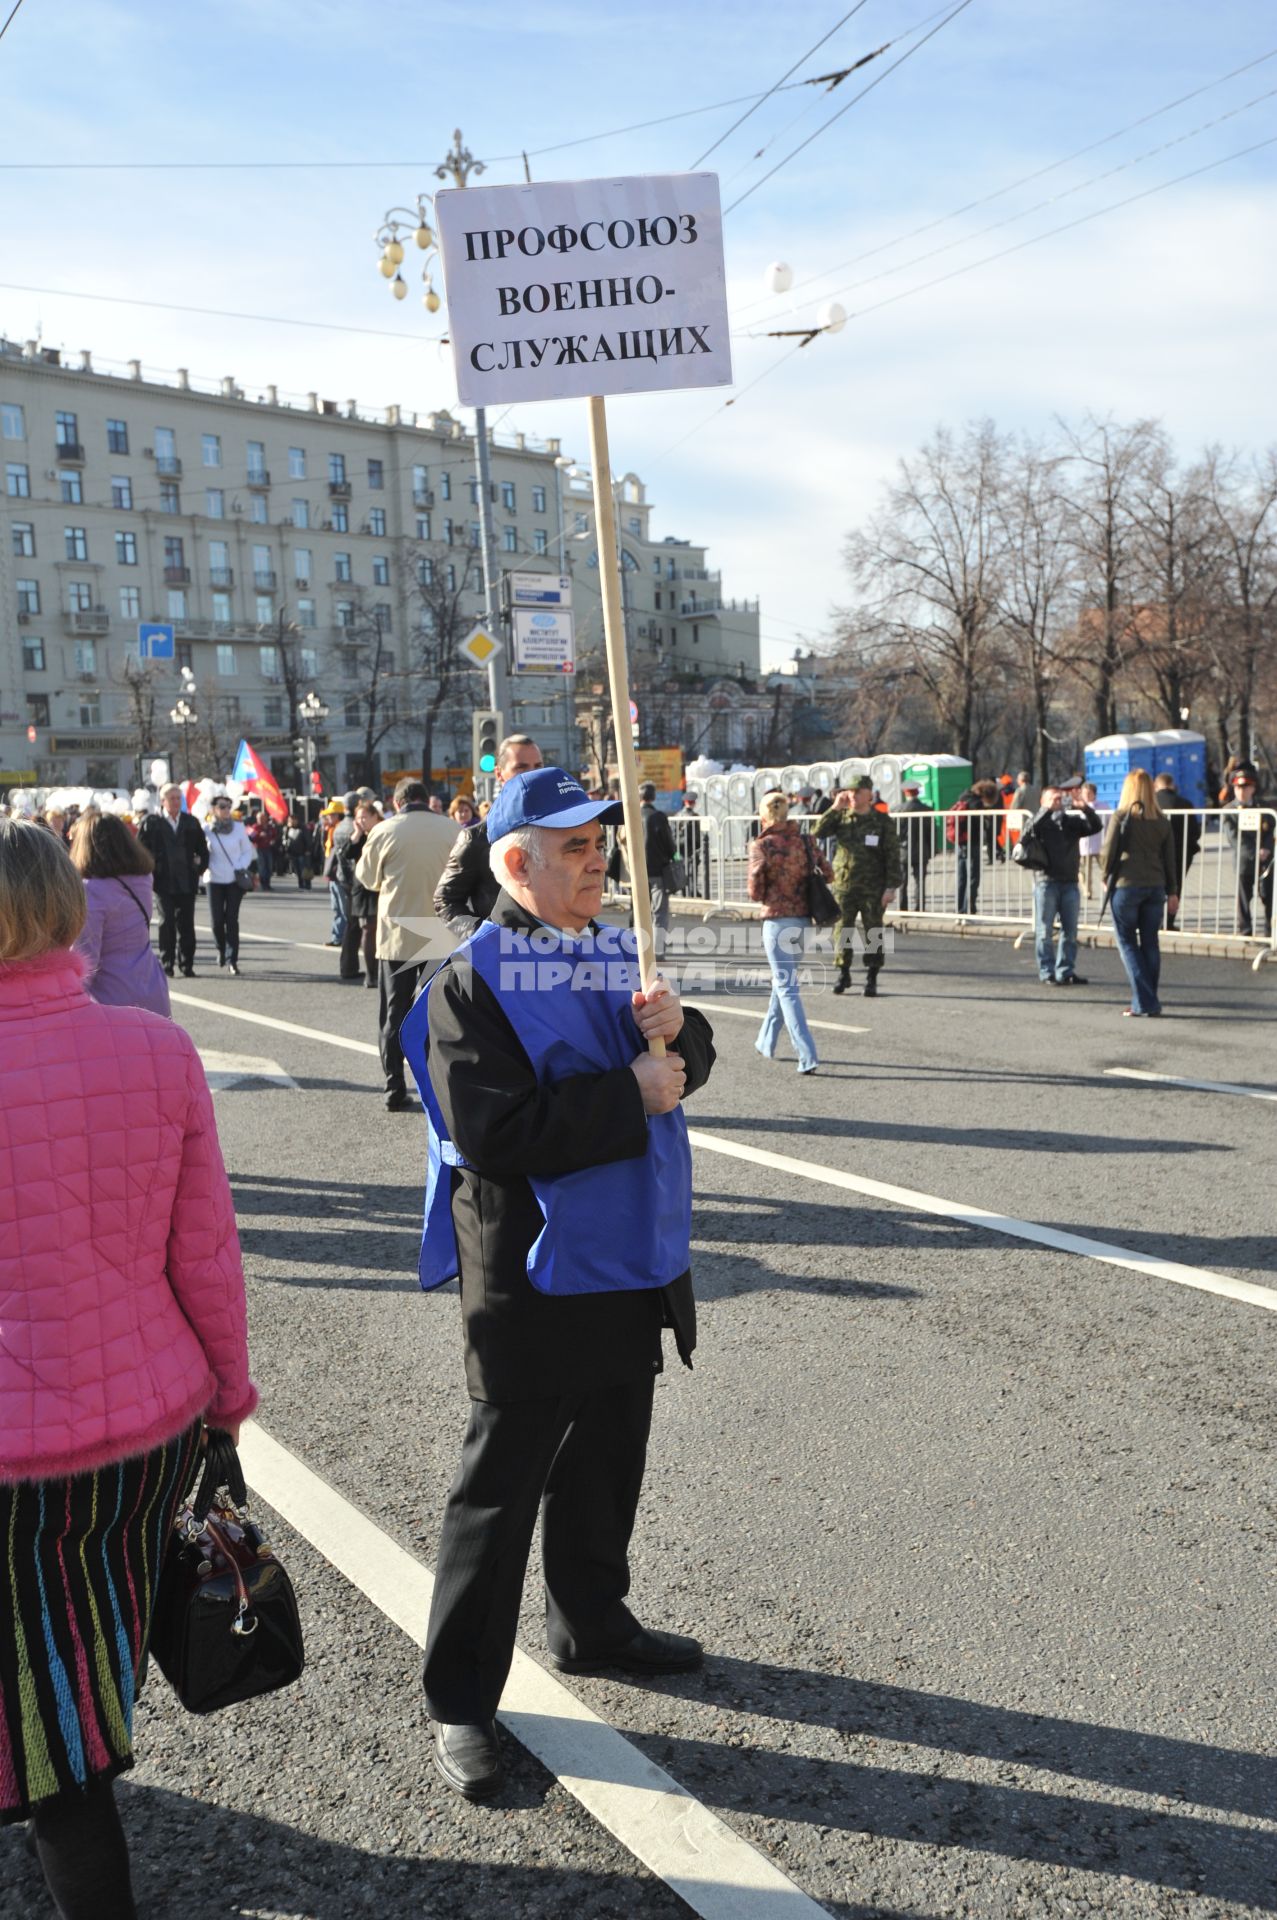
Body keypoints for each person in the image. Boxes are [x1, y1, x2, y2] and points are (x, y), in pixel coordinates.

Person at [399, 769, 715, 1801]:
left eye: (598, 844)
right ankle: (461, 1704)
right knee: (498, 1495)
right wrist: (629, 1090)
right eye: (573, 846)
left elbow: (681, 1058)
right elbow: (493, 1135)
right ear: (512, 862)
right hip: (530, 1275)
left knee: (608, 1461)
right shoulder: (468, 983)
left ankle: (592, 1622)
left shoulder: (617, 948)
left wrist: (682, 1031)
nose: (596, 861)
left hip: (625, 1261)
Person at [0, 818, 255, 1920]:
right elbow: (205, 1251)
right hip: (143, 1421)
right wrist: (230, 1401)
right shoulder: (156, 1049)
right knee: (83, 1671)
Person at [355, 777, 456, 1110]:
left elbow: (367, 878)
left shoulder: (384, 830)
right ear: (427, 800)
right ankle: (439, 1086)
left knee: (394, 1014)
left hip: (397, 935)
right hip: (442, 934)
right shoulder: (452, 829)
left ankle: (394, 1085)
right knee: (439, 1014)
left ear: (397, 802)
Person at [747, 791, 827, 1073]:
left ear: (764, 815)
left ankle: (807, 1055)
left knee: (786, 987)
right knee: (783, 984)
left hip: (777, 922)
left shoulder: (762, 845)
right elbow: (827, 873)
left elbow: (755, 893)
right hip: (803, 922)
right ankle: (765, 1041)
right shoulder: (806, 841)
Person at [434, 733, 543, 939]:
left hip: (558, 954)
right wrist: (483, 938)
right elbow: (445, 900)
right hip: (506, 960)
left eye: (538, 766)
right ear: (500, 774)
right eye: (521, 767)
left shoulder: (560, 825)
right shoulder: (477, 838)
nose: (532, 774)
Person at [68, 810, 170, 1017]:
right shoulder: (143, 879)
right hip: (150, 980)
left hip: (111, 993)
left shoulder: (90, 890)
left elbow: (86, 957)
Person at [812, 776, 901, 996]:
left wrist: (891, 887)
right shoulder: (841, 818)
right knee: (843, 930)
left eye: (857, 792)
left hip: (873, 887)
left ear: (869, 794)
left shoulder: (882, 821)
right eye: (849, 792)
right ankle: (844, 972)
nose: (852, 795)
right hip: (845, 885)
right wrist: (834, 808)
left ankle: (872, 976)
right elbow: (816, 833)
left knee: (874, 931)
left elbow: (892, 856)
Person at [1101, 768, 1178, 1017]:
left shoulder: (1121, 816)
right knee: (1150, 944)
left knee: (1127, 943)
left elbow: (1108, 851)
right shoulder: (1161, 820)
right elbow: (1170, 859)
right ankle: (1147, 998)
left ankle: (1144, 1002)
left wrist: (1104, 875)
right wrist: (1173, 890)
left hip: (1126, 884)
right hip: (1155, 886)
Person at [1021, 779, 1101, 986]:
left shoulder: (1071, 823)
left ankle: (1065, 971)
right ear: (1043, 801)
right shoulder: (1040, 823)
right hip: (1046, 881)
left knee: (1070, 931)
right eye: (1052, 798)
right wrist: (1045, 810)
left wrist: (1085, 809)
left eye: (1059, 798)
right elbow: (1027, 834)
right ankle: (1046, 971)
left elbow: (1095, 826)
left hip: (1069, 882)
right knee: (1044, 930)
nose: (1057, 802)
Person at [137, 783, 208, 977]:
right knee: (166, 922)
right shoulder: (152, 823)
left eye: (178, 798)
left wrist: (198, 869)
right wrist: (151, 869)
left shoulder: (191, 822)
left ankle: (187, 964)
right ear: (163, 801)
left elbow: (203, 850)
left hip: (187, 881)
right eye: (172, 798)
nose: (176, 802)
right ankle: (167, 963)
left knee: (186, 924)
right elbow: (140, 850)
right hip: (163, 882)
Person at [204, 793, 256, 975]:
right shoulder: (206, 829)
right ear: (213, 810)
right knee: (217, 920)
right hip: (213, 879)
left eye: (228, 806)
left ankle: (232, 959)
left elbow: (247, 851)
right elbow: (202, 853)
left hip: (234, 879)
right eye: (222, 806)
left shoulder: (239, 828)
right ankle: (221, 949)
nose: (226, 810)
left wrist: (239, 866)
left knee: (231, 919)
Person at [1221, 764, 1274, 939]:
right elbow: (1235, 838)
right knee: (1244, 898)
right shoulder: (1229, 811)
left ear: (1253, 787)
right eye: (1238, 787)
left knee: (1269, 896)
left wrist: (1266, 848)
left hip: (1266, 861)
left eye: (1245, 787)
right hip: (1245, 861)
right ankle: (1246, 931)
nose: (1241, 791)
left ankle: (1269, 930)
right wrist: (1255, 852)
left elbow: (1271, 830)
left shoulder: (1264, 807)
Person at [337, 797, 382, 986]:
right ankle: (371, 974)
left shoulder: (382, 832)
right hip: (362, 887)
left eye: (365, 817)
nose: (362, 821)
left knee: (379, 929)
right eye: (359, 818)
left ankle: (380, 971)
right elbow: (346, 853)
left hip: (381, 884)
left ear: (374, 816)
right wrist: (356, 833)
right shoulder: (359, 836)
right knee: (367, 928)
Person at [1153, 772, 1202, 930]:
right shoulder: (1185, 803)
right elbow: (1196, 831)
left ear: (1156, 786)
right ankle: (1169, 921)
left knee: (1156, 886)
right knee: (1176, 887)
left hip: (1156, 853)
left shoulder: (1152, 803)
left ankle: (1154, 920)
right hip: (1182, 853)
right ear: (1173, 785)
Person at [896, 781, 932, 911]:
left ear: (905, 792)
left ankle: (903, 907)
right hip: (922, 850)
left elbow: (894, 834)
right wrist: (932, 850)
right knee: (920, 881)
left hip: (902, 851)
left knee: (902, 882)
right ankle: (920, 907)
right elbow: (931, 832)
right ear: (917, 792)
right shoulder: (927, 809)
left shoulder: (897, 810)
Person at [317, 799, 348, 946]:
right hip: (332, 874)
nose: (328, 817)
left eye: (331, 815)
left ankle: (345, 938)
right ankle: (337, 936)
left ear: (338, 815)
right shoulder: (329, 830)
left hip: (338, 874)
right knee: (336, 908)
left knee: (344, 908)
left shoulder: (341, 830)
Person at [1076, 781, 1108, 900]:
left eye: (1089, 793)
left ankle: (1107, 886)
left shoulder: (1103, 806)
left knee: (1105, 867)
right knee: (1084, 870)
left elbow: (1109, 822)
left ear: (1094, 794)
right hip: (1084, 843)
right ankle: (1087, 891)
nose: (1087, 796)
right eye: (1084, 793)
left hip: (1100, 842)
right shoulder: (1078, 807)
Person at [247, 808, 279, 891]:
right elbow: (250, 839)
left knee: (269, 867)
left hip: (268, 849)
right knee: (262, 867)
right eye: (259, 818)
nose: (261, 819)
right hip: (259, 849)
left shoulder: (270, 827)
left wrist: (273, 840)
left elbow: (275, 836)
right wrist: (259, 835)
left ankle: (268, 884)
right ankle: (264, 884)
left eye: (263, 818)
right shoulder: (254, 827)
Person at [285, 810, 313, 888]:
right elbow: (286, 841)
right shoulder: (288, 829)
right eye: (289, 820)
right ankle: (301, 884)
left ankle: (307, 884)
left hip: (303, 853)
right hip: (293, 853)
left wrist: (308, 850)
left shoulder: (303, 828)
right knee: (297, 870)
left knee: (304, 870)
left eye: (292, 820)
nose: (290, 822)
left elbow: (308, 840)